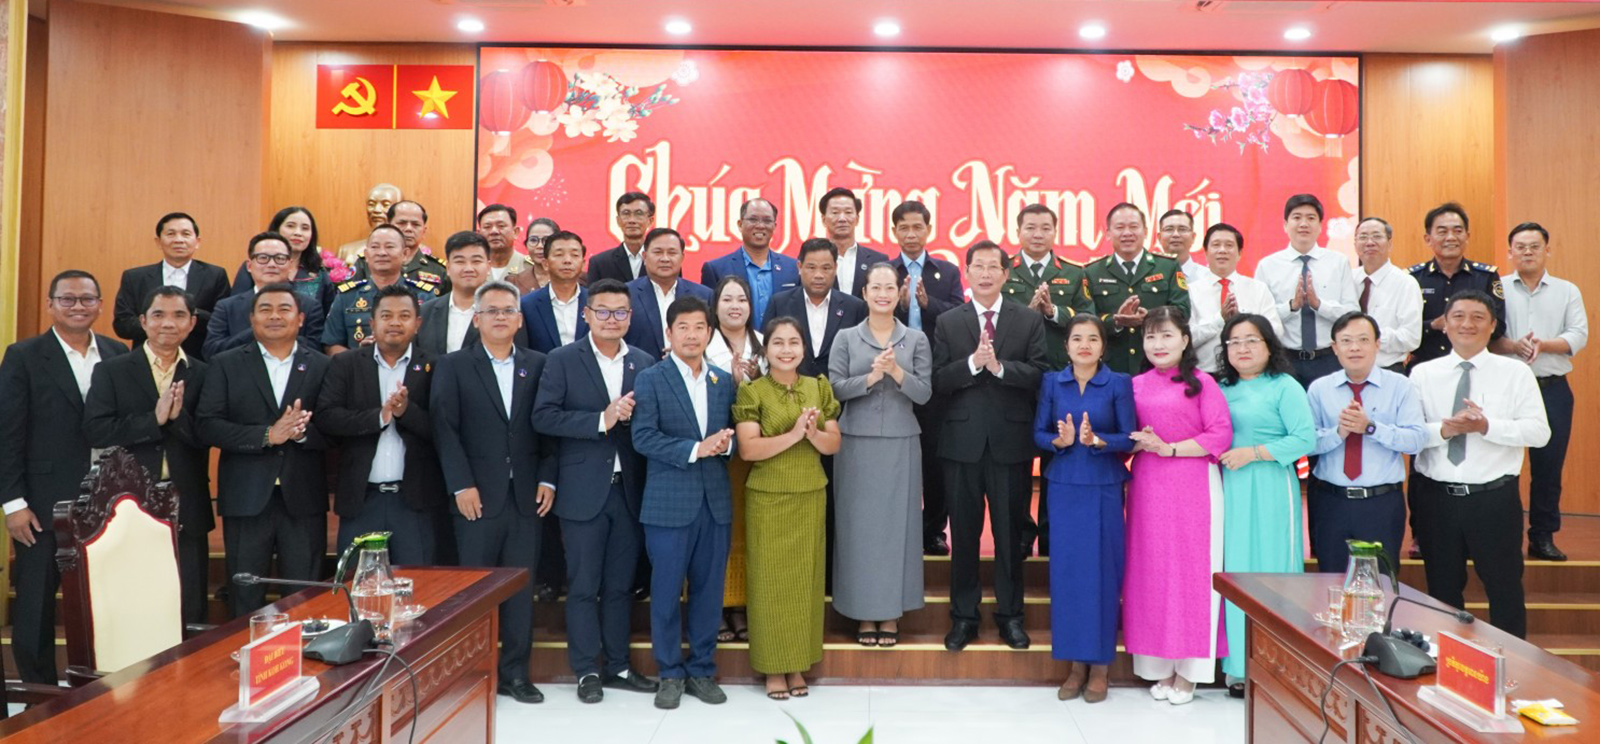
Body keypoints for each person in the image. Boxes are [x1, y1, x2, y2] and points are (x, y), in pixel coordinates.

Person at [531, 278, 660, 704]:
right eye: (602, 311)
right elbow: (544, 417)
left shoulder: (643, 362)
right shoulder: (562, 359)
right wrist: (600, 420)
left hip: (630, 491)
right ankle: (587, 669)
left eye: (620, 312)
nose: (611, 319)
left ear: (630, 317)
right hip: (582, 491)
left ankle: (619, 666)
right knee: (584, 585)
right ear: (586, 315)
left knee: (620, 586)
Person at [430, 279, 555, 703]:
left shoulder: (539, 364)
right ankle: (472, 673)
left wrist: (548, 478)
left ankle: (515, 674)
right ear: (477, 319)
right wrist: (460, 484)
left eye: (508, 311)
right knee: (474, 590)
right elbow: (445, 430)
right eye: (492, 311)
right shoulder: (452, 366)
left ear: (519, 320)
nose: (500, 317)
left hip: (526, 496)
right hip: (475, 497)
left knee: (520, 589)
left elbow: (549, 427)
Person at [1, 271, 129, 684]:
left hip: (106, 500)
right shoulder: (23, 355)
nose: (78, 306)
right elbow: (7, 432)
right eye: (68, 299)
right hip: (41, 502)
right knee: (36, 603)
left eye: (87, 299)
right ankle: (39, 694)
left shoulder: (116, 352)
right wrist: (13, 504)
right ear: (50, 305)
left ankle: (98, 688)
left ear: (100, 305)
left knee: (104, 601)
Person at [1409, 290, 1549, 638]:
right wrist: (1445, 430)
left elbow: (1539, 432)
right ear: (1444, 325)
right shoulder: (1422, 373)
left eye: (1477, 317)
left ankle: (1511, 663)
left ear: (1493, 326)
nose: (1467, 324)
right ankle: (1445, 661)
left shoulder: (1515, 373)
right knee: (1441, 589)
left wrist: (1487, 427)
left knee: (1504, 587)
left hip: (1493, 499)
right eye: (1458, 316)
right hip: (1435, 498)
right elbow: (1409, 435)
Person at [934, 240, 1049, 652]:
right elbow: (937, 380)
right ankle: (963, 618)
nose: (985, 273)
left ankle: (1011, 617)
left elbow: (1040, 374)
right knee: (964, 537)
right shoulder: (948, 321)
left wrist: (1000, 368)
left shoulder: (1027, 320)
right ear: (966, 272)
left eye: (992, 267)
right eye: (977, 266)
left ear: (1006, 273)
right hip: (961, 444)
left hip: (1009, 443)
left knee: (1009, 534)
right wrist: (972, 364)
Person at [195, 282, 330, 618]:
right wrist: (268, 435)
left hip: (303, 498)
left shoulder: (321, 365)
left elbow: (334, 428)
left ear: (300, 318)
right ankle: (244, 651)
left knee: (303, 596)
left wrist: (301, 434)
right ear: (251, 319)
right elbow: (207, 425)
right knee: (245, 596)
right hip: (246, 497)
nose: (275, 316)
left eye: (284, 309)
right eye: (265, 309)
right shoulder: (226, 364)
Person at [1121, 306, 1233, 706]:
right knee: (1151, 572)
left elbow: (1220, 435)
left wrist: (1168, 448)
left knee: (1193, 574)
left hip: (1194, 485)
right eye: (1151, 336)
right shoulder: (1134, 386)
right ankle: (1159, 666)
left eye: (1167, 335)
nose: (1158, 344)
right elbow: (1125, 437)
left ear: (1185, 340)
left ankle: (1190, 671)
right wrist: (1139, 443)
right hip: (1148, 487)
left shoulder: (1203, 383)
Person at [630, 296, 737, 710]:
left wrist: (725, 447)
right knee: (666, 591)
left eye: (699, 328)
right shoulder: (651, 379)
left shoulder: (722, 381)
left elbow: (730, 435)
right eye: (684, 328)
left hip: (715, 503)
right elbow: (643, 437)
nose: (692, 335)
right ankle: (670, 673)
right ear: (669, 333)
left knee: (709, 593)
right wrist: (696, 449)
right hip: (668, 504)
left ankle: (702, 670)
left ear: (709, 333)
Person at [85, 286, 212, 623]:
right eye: (158, 315)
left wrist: (177, 418)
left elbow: (210, 435)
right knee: (135, 603)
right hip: (128, 502)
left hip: (187, 501)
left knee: (190, 603)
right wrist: (152, 420)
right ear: (143, 321)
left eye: (179, 315)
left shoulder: (203, 372)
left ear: (191, 323)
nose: (168, 323)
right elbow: (96, 430)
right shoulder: (112, 370)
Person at [734, 316, 842, 700]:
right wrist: (796, 434)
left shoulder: (818, 386)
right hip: (768, 498)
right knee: (769, 584)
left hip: (810, 493)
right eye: (777, 342)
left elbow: (834, 444)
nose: (786, 349)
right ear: (766, 349)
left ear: (803, 348)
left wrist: (813, 434)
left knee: (805, 585)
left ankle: (798, 664)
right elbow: (749, 450)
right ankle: (771, 667)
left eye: (793, 342)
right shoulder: (753, 391)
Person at [1031, 314, 1136, 704]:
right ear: (1066, 345)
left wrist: (1099, 440)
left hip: (1103, 487)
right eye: (1077, 338)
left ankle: (1101, 667)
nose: (1085, 345)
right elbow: (1038, 432)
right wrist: (1059, 442)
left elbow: (1129, 437)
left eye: (1093, 338)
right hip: (1063, 486)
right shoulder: (1052, 382)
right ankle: (1075, 665)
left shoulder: (1118, 383)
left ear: (1103, 346)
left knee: (1102, 575)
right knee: (1068, 576)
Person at [830, 262, 932, 648]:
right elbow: (834, 388)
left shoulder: (916, 339)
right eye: (876, 287)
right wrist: (871, 377)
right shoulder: (846, 337)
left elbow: (925, 393)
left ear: (899, 292)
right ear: (864, 292)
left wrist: (897, 374)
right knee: (857, 529)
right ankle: (861, 612)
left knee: (897, 529)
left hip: (902, 442)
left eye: (890, 287)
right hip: (855, 442)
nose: (883, 294)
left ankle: (890, 612)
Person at [1212, 314, 1317, 690]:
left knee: (1273, 570)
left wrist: (1254, 453)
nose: (1242, 348)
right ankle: (1239, 666)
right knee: (1235, 569)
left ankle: (1278, 664)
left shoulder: (1284, 386)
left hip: (1271, 484)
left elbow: (1305, 438)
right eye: (1234, 342)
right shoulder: (1220, 388)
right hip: (1228, 486)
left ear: (1269, 346)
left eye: (1251, 340)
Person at [314, 284, 443, 564]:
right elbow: (326, 417)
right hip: (362, 500)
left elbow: (444, 430)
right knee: (360, 584)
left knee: (417, 585)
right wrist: (379, 417)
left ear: (418, 324)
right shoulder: (345, 364)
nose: (395, 322)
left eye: (404, 316)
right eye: (386, 316)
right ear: (372, 323)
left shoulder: (435, 366)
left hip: (415, 502)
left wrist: (406, 412)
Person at [1002, 203, 1095, 557]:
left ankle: (1050, 534)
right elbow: (994, 318)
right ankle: (1022, 533)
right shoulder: (1004, 270)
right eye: (1030, 227)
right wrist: (1026, 314)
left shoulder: (1072, 273)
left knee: (1057, 458)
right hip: (1016, 379)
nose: (1037, 234)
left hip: (1060, 380)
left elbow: (1087, 318)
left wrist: (1053, 311)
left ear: (1055, 232)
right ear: (1018, 232)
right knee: (1018, 460)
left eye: (1045, 228)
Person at [1306, 311, 1427, 573]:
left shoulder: (1400, 386)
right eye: (1346, 341)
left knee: (1379, 582)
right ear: (1334, 348)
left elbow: (1416, 441)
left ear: (1377, 344)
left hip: (1380, 503)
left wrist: (1371, 428)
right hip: (1331, 501)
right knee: (1330, 581)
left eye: (1363, 340)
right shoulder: (1319, 389)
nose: (1355, 347)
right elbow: (1307, 444)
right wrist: (1339, 432)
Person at [1499, 222, 1587, 562]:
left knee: (1548, 467)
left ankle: (1542, 536)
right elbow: (1486, 334)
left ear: (1547, 250)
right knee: (1501, 465)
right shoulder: (1497, 288)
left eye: (1534, 246)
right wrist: (1513, 346)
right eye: (1520, 247)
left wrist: (1544, 345)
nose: (1527, 252)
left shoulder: (1567, 290)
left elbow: (1578, 335)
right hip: (1506, 389)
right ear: (1510, 252)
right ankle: (1503, 536)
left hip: (1552, 388)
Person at [888, 200, 964, 556]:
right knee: (897, 458)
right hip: (894, 375)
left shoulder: (946, 272)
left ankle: (934, 529)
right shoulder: (885, 271)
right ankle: (898, 527)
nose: (911, 234)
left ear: (929, 230)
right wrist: (900, 305)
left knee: (934, 458)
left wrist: (927, 303)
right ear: (894, 232)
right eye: (903, 227)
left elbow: (960, 314)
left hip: (934, 378)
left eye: (917, 227)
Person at [705, 275, 763, 644]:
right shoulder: (703, 342)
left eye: (741, 299)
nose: (735, 306)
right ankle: (716, 608)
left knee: (745, 531)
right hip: (716, 453)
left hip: (754, 456)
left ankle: (740, 607)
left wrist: (753, 382)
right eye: (727, 299)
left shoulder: (764, 342)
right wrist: (732, 381)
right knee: (717, 533)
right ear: (715, 306)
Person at [1251, 194, 1356, 387]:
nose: (1303, 224)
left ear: (1320, 225)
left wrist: (1320, 305)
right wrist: (1291, 307)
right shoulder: (1267, 266)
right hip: (1284, 359)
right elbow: (1258, 319)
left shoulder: (1338, 262)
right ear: (1285, 225)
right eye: (1297, 217)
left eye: (1311, 218)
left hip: (1329, 359)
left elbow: (1352, 314)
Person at [1083, 202, 1191, 374]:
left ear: (1146, 231)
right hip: (1110, 370)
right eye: (1120, 227)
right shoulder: (1092, 272)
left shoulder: (1168, 266)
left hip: (1158, 366)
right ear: (1108, 234)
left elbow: (1182, 311)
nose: (1127, 233)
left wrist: (1149, 317)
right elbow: (1087, 318)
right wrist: (1116, 321)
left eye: (1134, 226)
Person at [112, 211, 232, 359]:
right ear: (158, 242)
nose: (179, 240)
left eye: (186, 234)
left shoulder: (215, 275)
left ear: (197, 242)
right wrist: (158, 324)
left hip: (198, 360)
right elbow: (122, 324)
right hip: (145, 361)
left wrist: (188, 314)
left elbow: (222, 322)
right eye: (171, 234)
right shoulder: (135, 277)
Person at [1409, 202, 1506, 371]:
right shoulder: (1413, 279)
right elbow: (1405, 329)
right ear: (1428, 239)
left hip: (1475, 367)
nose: (1451, 237)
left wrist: (1471, 322)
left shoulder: (1486, 276)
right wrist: (1432, 325)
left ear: (1467, 236)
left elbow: (1498, 328)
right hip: (1425, 368)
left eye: (1458, 231)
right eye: (1442, 232)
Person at [205, 232, 324, 362]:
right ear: (249, 266)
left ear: (290, 265)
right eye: (263, 258)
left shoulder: (309, 306)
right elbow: (211, 351)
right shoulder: (227, 307)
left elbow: (315, 352)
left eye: (280, 258)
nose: (271, 264)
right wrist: (257, 330)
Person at [324, 224, 440, 355]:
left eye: (389, 247)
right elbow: (331, 344)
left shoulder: (424, 296)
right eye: (375, 247)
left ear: (405, 254)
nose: (382, 253)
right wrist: (358, 358)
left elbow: (433, 344)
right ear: (366, 255)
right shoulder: (347, 296)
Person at [763, 238, 867, 379]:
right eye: (811, 268)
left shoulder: (854, 307)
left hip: (838, 389)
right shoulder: (779, 303)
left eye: (826, 268)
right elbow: (765, 349)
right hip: (789, 388)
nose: (818, 275)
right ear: (799, 267)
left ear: (835, 268)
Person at [1188, 223, 1281, 374]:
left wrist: (1243, 323)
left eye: (1229, 245)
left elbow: (1276, 331)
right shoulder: (1191, 292)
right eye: (1216, 245)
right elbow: (1186, 339)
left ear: (1240, 253)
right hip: (1206, 374)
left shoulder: (1258, 289)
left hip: (1250, 374)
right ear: (1205, 252)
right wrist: (1219, 320)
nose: (1222, 250)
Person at [419, 231, 530, 357]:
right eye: (460, 261)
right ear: (448, 268)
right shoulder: (425, 312)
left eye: (476, 261)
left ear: (488, 267)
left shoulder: (507, 314)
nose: (468, 269)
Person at [701, 198, 800, 329]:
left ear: (775, 226)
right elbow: (709, 319)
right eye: (753, 219)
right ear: (740, 224)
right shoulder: (716, 269)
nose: (760, 225)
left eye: (767, 221)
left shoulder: (793, 268)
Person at [623, 227, 714, 360]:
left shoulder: (704, 295)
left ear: (682, 258)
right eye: (658, 252)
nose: (665, 259)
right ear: (645, 257)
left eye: (672, 253)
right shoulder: (625, 294)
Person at [231, 207, 340, 317]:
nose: (298, 233)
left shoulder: (319, 274)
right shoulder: (255, 266)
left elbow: (329, 316)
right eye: (290, 226)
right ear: (277, 229)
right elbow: (237, 308)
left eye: (305, 228)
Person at [1351, 217, 1422, 373]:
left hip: (1387, 371)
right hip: (1348, 371)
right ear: (1355, 244)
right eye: (1363, 237)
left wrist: (1370, 336)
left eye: (1377, 236)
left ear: (1390, 244)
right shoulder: (1348, 279)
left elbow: (1411, 338)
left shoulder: (1406, 283)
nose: (1369, 242)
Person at [522, 230, 591, 354]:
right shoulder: (526, 305)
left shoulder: (595, 302)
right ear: (545, 264)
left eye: (574, 255)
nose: (567, 260)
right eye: (559, 254)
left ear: (583, 264)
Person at [819, 186, 889, 298]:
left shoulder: (878, 261)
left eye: (848, 212)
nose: (842, 218)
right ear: (823, 220)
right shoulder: (813, 260)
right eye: (835, 212)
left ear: (857, 219)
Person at [587, 192, 654, 284]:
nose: (632, 220)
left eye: (639, 214)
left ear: (650, 221)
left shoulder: (660, 260)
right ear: (618, 220)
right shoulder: (600, 262)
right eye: (626, 214)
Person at [477, 203, 539, 294]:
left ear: (515, 232)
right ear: (479, 234)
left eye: (501, 226)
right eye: (487, 227)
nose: (494, 231)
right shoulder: (473, 269)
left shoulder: (531, 268)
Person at [335, 182, 402, 265]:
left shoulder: (411, 253)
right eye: (371, 204)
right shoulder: (347, 251)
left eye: (385, 205)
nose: (376, 210)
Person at [1159, 209, 1204, 280]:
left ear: (1193, 237)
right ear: (1159, 237)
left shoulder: (1208, 278)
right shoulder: (1145, 276)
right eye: (1169, 229)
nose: (1176, 234)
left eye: (1182, 229)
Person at [525, 216, 561, 290]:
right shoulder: (515, 281)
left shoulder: (577, 280)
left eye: (546, 240)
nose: (540, 246)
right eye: (533, 240)